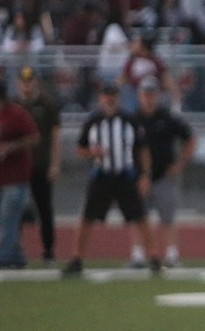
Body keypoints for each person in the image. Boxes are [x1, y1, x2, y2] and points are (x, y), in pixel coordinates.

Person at [63, 84, 160, 277]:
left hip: (125, 176)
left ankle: (154, 258)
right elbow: (80, 149)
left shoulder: (130, 120)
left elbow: (142, 149)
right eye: (106, 96)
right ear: (100, 99)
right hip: (101, 176)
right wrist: (92, 153)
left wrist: (145, 175)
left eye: (113, 96)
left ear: (119, 98)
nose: (110, 99)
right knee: (86, 218)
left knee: (140, 217)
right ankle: (77, 258)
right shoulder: (93, 121)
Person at [128, 76, 194, 268]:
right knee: (137, 216)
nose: (148, 98)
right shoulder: (133, 119)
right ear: (139, 95)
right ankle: (138, 253)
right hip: (139, 176)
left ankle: (172, 253)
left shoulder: (167, 118)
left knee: (168, 217)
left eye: (152, 94)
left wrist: (181, 163)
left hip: (163, 175)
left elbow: (189, 138)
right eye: (145, 94)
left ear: (157, 95)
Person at [0, 78, 38, 269]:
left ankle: (3, 257)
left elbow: (33, 138)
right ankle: (16, 256)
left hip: (15, 175)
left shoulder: (16, 114)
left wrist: (10, 147)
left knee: (9, 215)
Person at [15, 66, 60, 265]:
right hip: (17, 168)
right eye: (23, 81)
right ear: (18, 83)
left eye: (30, 81)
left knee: (44, 210)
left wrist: (54, 164)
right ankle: (15, 250)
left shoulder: (46, 104)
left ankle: (48, 250)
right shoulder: (14, 105)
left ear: (36, 82)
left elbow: (55, 135)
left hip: (40, 164)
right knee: (15, 211)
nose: (26, 85)